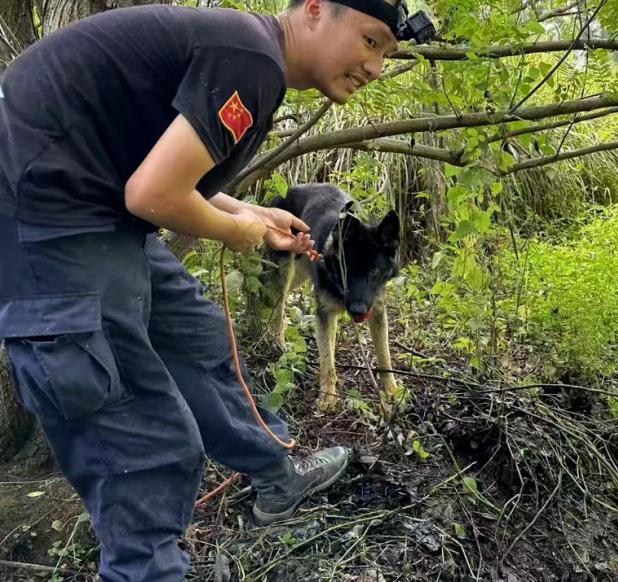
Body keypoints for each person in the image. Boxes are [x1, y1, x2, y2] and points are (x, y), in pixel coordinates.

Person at [0, 0, 425, 579]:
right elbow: (151, 195)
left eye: (387, 54)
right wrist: (235, 231)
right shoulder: (250, 60)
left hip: (95, 206)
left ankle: (276, 476)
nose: (375, 66)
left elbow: (155, 170)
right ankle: (148, 569)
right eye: (370, 41)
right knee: (144, 438)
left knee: (197, 336)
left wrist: (248, 211)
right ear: (316, 11)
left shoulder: (249, 57)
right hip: (46, 223)